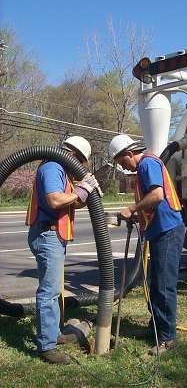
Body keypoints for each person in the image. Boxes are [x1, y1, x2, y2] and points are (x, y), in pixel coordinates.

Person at [26, 136, 101, 364]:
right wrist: (81, 190)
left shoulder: (62, 171)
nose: (79, 167)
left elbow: (73, 201)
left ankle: (53, 334)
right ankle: (46, 347)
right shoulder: (52, 167)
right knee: (49, 292)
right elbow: (55, 200)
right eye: (79, 161)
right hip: (47, 235)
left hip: (54, 236)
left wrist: (86, 191)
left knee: (54, 291)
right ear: (73, 155)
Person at [108, 134, 185, 355]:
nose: (124, 168)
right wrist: (137, 213)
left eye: (123, 162)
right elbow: (150, 201)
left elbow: (157, 195)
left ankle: (167, 339)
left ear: (130, 153)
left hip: (168, 230)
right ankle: (156, 327)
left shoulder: (147, 164)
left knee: (163, 284)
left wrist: (132, 209)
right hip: (160, 229)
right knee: (156, 282)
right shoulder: (144, 167)